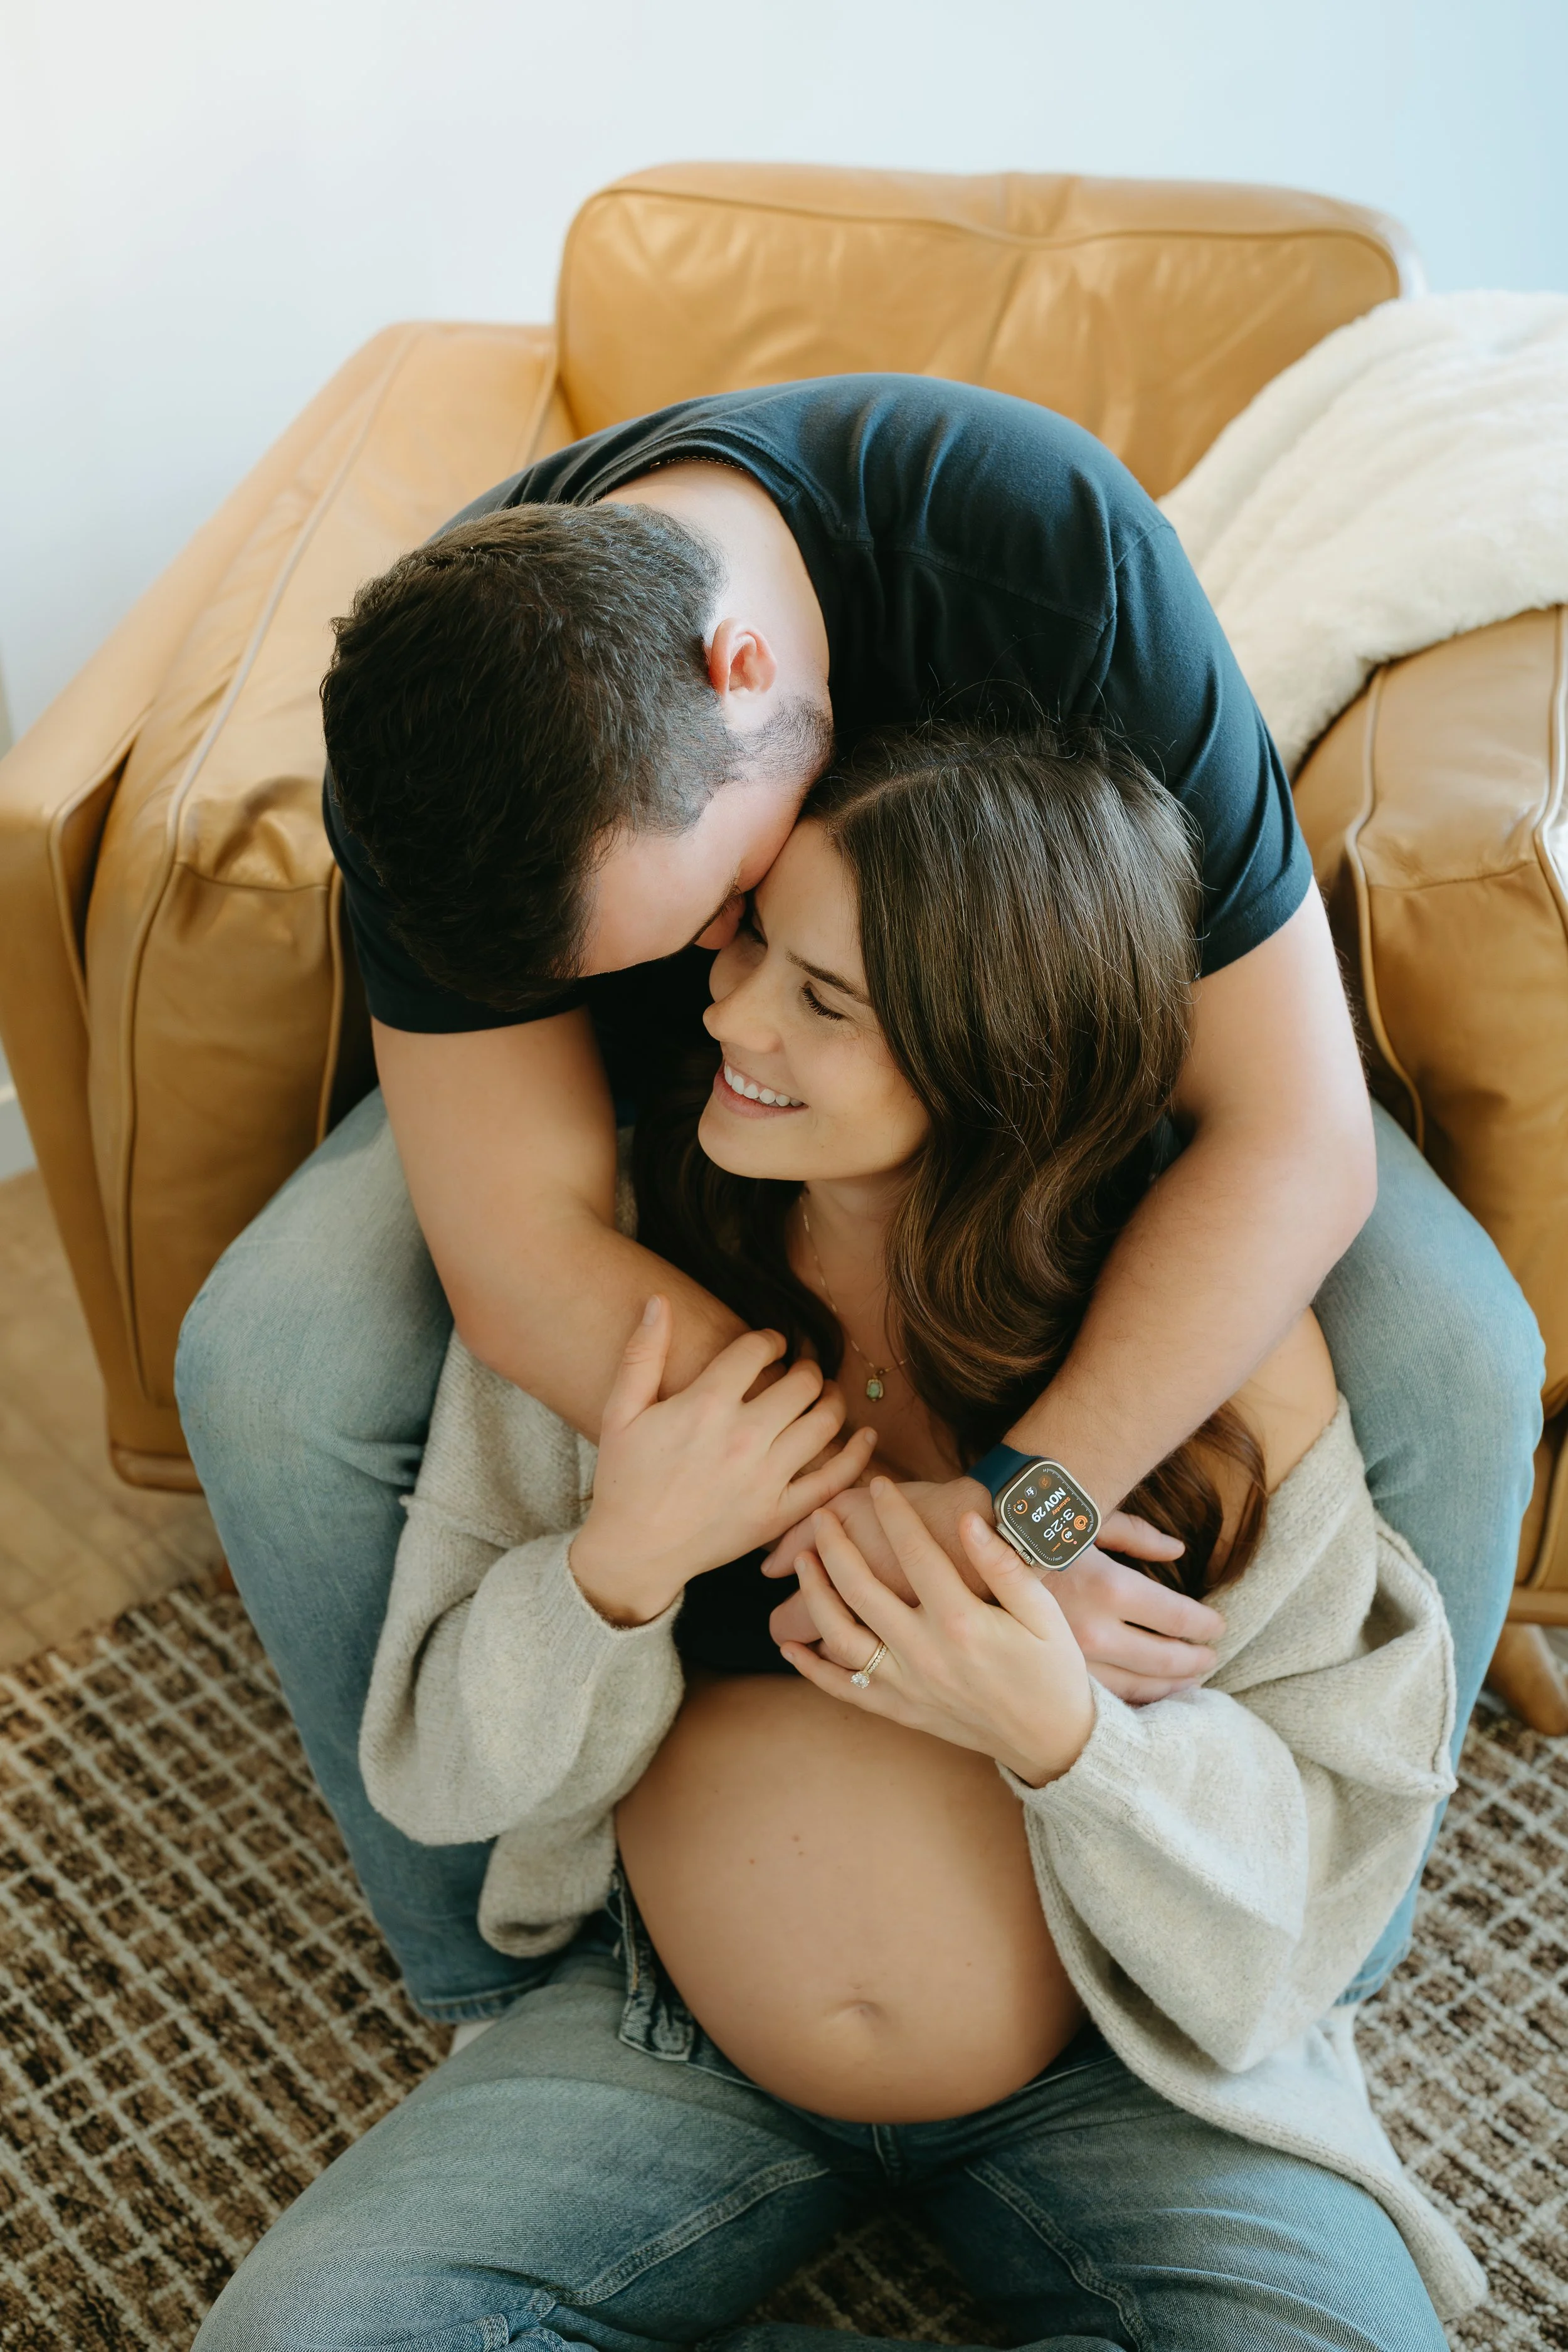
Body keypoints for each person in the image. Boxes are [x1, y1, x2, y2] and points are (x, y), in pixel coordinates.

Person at [174, 375, 1543, 2029]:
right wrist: (870, 1535)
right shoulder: (446, 744)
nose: (697, 964)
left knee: (1455, 1337)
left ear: (741, 674)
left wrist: (1020, 1510)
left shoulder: (1042, 548)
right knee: (267, 1356)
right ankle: (486, 1980)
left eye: (713, 900)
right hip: (673, 1116)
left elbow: (1289, 1134)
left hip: (1056, 1064)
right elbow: (519, 1253)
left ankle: (1315, 1972)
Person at [194, 729, 1480, 2351]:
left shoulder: (1205, 1361)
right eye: (748, 951)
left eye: (821, 998)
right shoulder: (616, 1302)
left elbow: (1292, 1931)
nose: (723, 1013)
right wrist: (612, 1574)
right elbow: (444, 1782)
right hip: (664, 2044)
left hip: (1135, 2069)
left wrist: (1061, 1733)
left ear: (993, 1055)